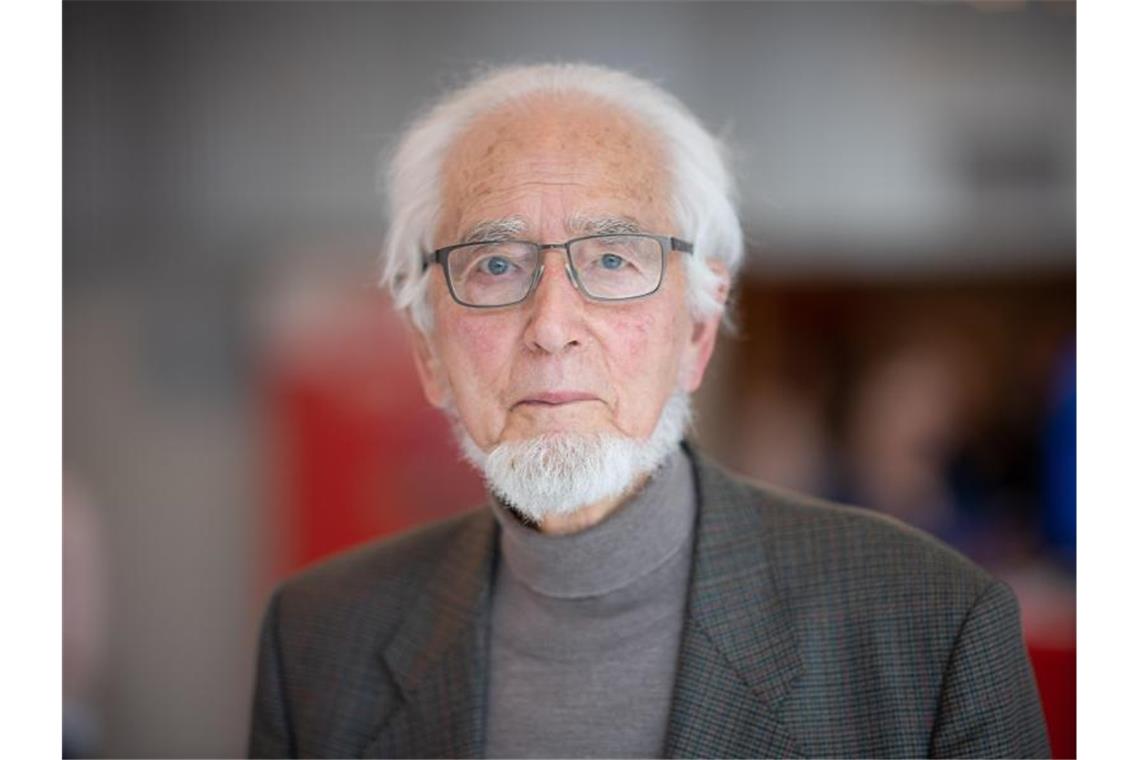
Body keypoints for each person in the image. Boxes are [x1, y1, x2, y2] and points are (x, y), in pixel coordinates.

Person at [247, 62, 1049, 759]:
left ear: (698, 330)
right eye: (494, 263)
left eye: (612, 258)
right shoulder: (318, 637)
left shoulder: (931, 624)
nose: (552, 327)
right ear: (428, 348)